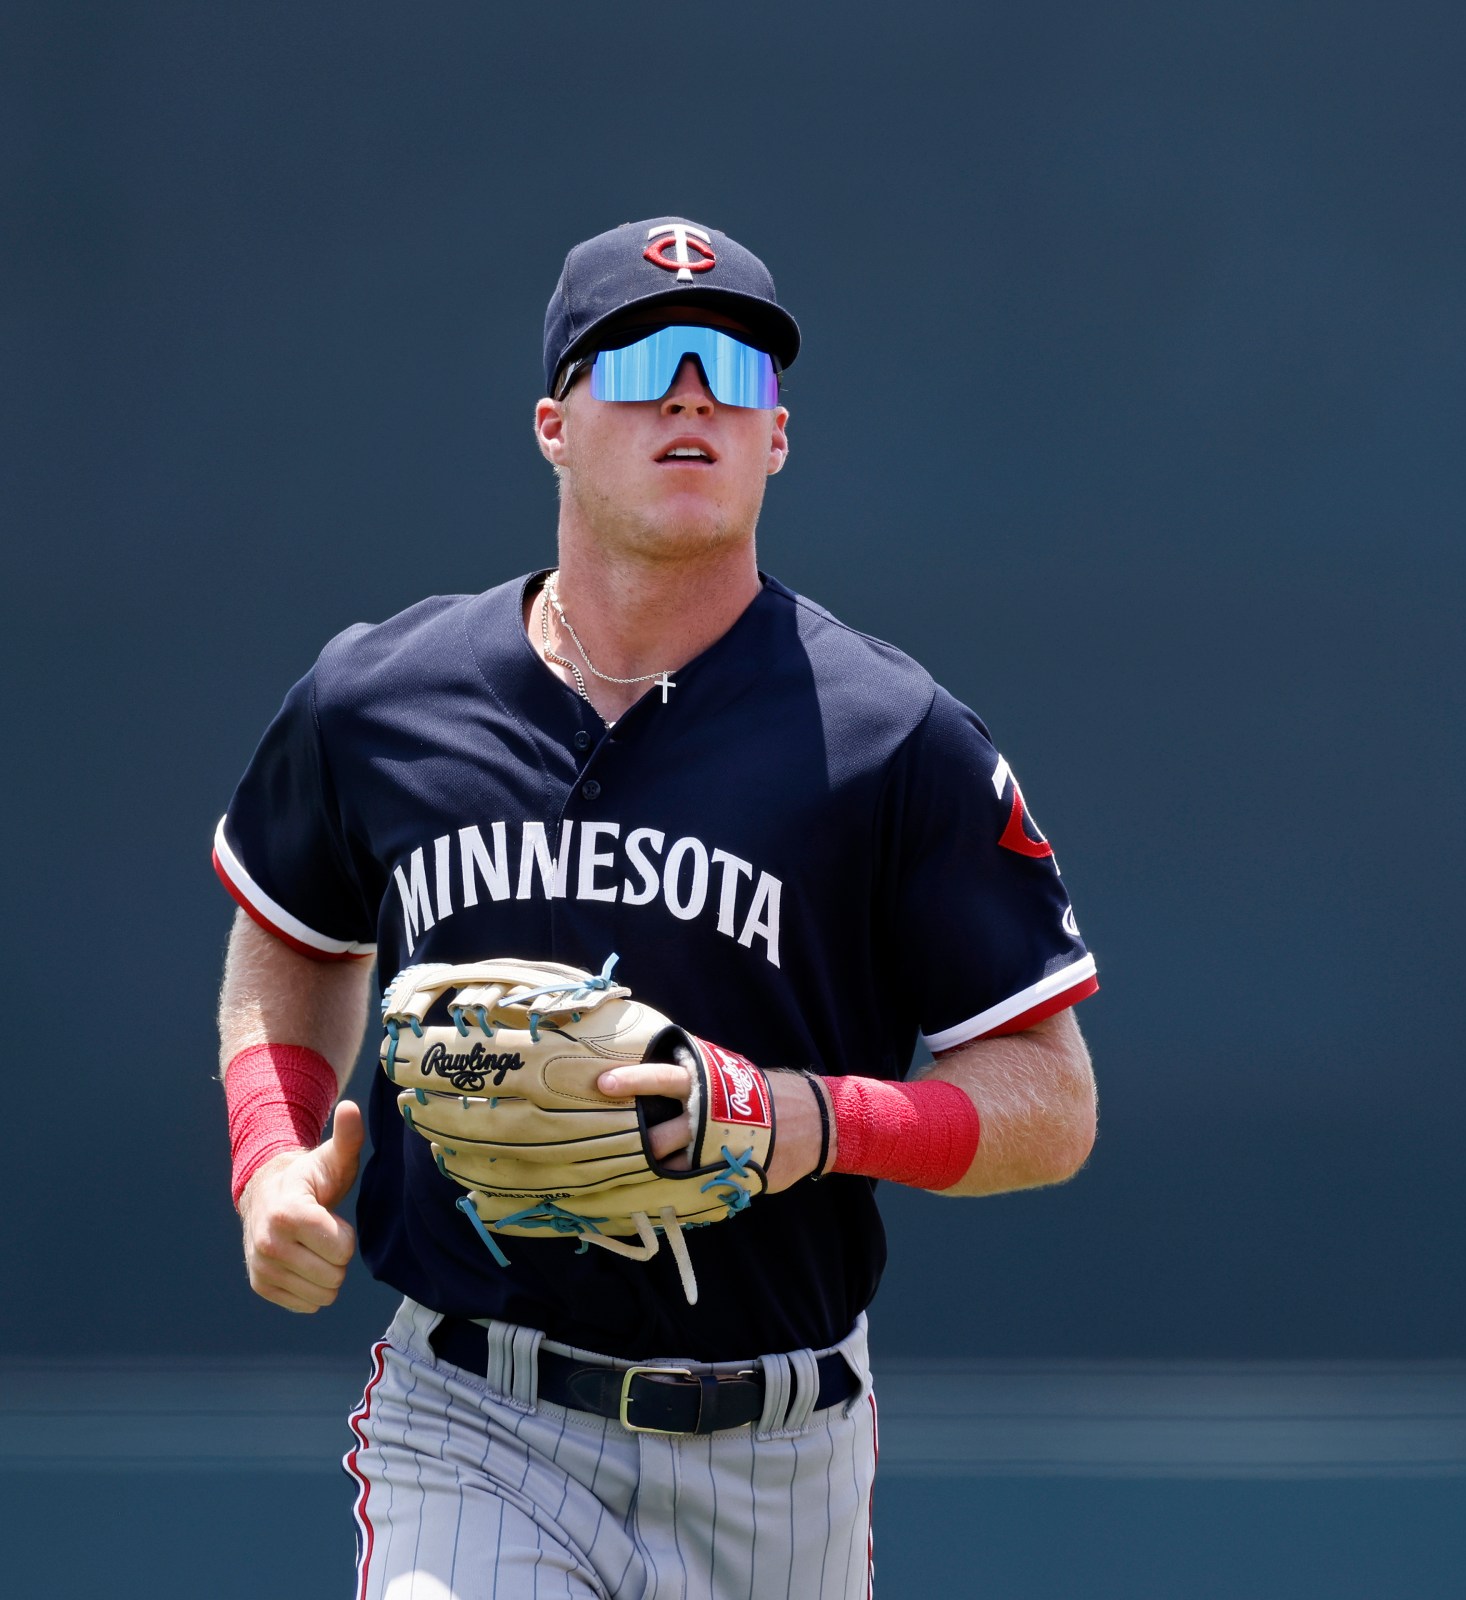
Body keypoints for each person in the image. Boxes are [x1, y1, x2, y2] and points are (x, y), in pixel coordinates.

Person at [212, 216, 1100, 1599]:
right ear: (556, 424)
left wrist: (806, 1120)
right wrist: (270, 1155)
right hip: (476, 1415)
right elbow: (291, 940)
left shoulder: (887, 733)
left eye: (736, 374)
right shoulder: (381, 698)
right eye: (644, 360)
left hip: (781, 1452)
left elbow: (1053, 1102)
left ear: (777, 440)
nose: (694, 394)